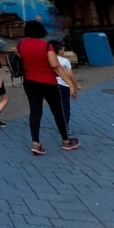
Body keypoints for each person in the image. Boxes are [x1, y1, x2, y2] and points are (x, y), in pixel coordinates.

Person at [17, 20, 80, 154]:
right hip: (48, 83)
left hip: (29, 82)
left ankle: (35, 143)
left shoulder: (20, 44)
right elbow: (55, 65)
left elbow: (20, 59)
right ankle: (66, 141)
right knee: (57, 111)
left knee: (35, 112)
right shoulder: (46, 46)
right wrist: (70, 83)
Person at [50, 41, 77, 133]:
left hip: (52, 84)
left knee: (56, 107)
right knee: (65, 107)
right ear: (59, 50)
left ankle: (59, 124)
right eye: (62, 49)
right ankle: (65, 127)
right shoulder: (65, 61)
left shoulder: (48, 60)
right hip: (63, 84)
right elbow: (70, 75)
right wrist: (75, 84)